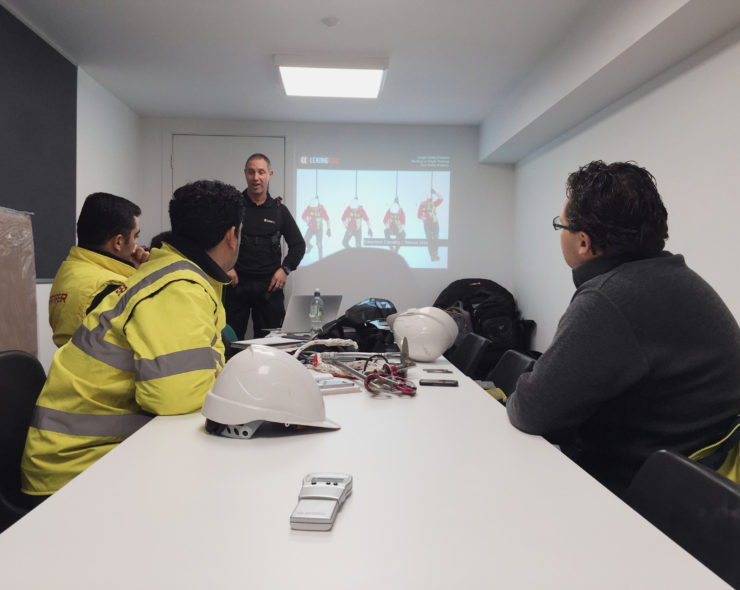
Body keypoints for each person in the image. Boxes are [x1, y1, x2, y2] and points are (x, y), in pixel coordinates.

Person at [505, 160, 740, 495]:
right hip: (700, 487)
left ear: (583, 242)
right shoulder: (673, 278)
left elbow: (531, 410)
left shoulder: (610, 299)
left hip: (643, 501)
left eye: (562, 225)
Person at [21, 180, 244, 497]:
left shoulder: (173, 275)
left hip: (85, 457)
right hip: (76, 473)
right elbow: (175, 400)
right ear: (232, 236)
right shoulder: (178, 286)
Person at [48, 192, 149, 347]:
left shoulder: (69, 272)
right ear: (119, 242)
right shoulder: (113, 289)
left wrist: (133, 271)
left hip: (73, 368)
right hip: (106, 371)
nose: (137, 245)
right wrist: (145, 276)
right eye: (136, 236)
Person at [223, 153, 305, 339]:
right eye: (251, 172)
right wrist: (226, 267)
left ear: (270, 174)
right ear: (245, 174)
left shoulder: (279, 210)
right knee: (230, 342)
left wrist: (285, 269)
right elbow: (215, 241)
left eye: (261, 172)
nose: (256, 177)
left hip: (270, 288)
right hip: (236, 286)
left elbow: (298, 245)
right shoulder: (234, 207)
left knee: (271, 345)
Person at [417, 188, 443, 261]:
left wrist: (435, 193)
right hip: (427, 223)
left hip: (434, 223)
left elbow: (441, 199)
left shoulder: (433, 204)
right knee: (429, 239)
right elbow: (418, 215)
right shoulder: (422, 205)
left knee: (436, 238)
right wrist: (424, 218)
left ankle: (435, 254)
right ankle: (432, 255)